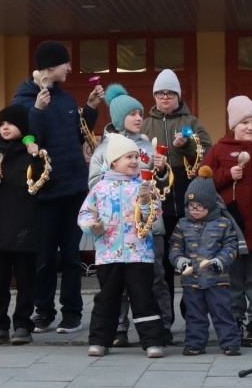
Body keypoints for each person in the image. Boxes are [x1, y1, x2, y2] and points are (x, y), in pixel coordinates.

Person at [12, 40, 103, 334]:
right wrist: (38, 111)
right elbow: (27, 140)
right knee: (45, 256)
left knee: (72, 255)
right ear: (50, 66)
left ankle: (72, 313)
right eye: (66, 63)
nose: (70, 68)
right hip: (45, 191)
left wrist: (90, 108)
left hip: (73, 187)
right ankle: (43, 311)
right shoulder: (23, 101)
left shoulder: (65, 99)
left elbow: (78, 135)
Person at [88, 84, 174, 347]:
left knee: (154, 279)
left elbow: (160, 188)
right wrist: (119, 180)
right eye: (132, 114)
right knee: (116, 284)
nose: (139, 118)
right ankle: (119, 328)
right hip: (115, 231)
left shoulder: (148, 144)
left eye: (140, 113)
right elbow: (94, 186)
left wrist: (161, 170)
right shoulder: (104, 149)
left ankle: (161, 328)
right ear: (118, 118)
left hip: (147, 228)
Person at [201, 96, 252, 347]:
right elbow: (202, 182)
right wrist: (227, 174)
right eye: (244, 122)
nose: (250, 127)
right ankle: (234, 319)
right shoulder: (219, 149)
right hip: (230, 228)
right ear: (234, 125)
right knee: (233, 279)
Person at [77, 133, 166, 358]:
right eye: (129, 157)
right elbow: (85, 213)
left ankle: (152, 341)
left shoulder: (144, 185)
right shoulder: (100, 188)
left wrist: (145, 203)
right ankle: (100, 341)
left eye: (136, 156)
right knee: (107, 298)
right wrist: (93, 226)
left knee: (143, 297)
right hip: (109, 254)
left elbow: (154, 216)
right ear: (114, 161)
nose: (135, 161)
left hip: (139, 254)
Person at [140, 69, 213, 323]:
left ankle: (192, 317)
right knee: (161, 267)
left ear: (178, 96)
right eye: (160, 93)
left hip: (187, 201)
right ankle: (164, 319)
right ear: (154, 96)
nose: (165, 97)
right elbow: (136, 158)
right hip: (157, 202)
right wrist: (152, 163)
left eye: (170, 93)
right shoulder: (145, 124)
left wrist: (187, 146)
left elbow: (207, 154)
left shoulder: (192, 122)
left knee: (191, 260)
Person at [0, 104, 40, 346]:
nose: (5, 127)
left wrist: (37, 157)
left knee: (25, 280)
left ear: (23, 126)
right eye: (2, 124)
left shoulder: (33, 153)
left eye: (10, 123)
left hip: (26, 226)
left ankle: (23, 324)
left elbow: (44, 183)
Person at [168, 166, 241, 356]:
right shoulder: (182, 224)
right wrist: (181, 262)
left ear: (210, 205)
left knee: (222, 311)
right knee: (194, 313)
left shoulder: (223, 223)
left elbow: (231, 247)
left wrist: (218, 261)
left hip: (217, 279)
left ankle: (230, 342)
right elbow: (174, 246)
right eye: (191, 206)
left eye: (200, 206)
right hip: (191, 280)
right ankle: (195, 343)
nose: (194, 210)